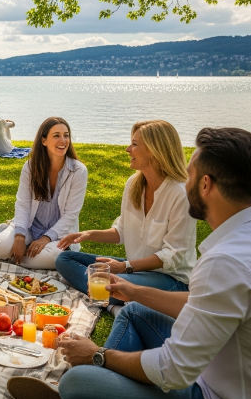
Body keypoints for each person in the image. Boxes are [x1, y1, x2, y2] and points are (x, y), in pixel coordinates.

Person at [7, 127, 251, 399]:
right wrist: (132, 290)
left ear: (205, 185)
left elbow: (172, 370)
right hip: (226, 369)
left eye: (190, 174)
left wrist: (98, 356)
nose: (184, 179)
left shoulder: (227, 261)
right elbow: (203, 302)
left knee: (75, 382)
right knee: (134, 310)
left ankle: (92, 395)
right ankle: (104, 392)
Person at [54, 120, 196, 308]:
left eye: (135, 144)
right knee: (65, 258)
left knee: (111, 284)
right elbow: (121, 231)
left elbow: (173, 256)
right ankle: (112, 291)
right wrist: (88, 234)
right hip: (133, 270)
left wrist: (124, 267)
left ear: (155, 150)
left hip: (171, 280)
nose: (128, 149)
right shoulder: (133, 185)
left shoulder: (180, 194)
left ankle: (110, 292)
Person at [0, 117, 87, 270]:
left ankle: (1, 254)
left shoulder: (78, 171)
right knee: (1, 247)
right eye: (56, 135)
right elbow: (23, 204)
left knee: (57, 257)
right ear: (44, 141)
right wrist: (20, 237)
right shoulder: (30, 167)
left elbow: (70, 215)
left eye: (66, 135)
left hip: (58, 233)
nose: (63, 140)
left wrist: (45, 239)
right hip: (29, 226)